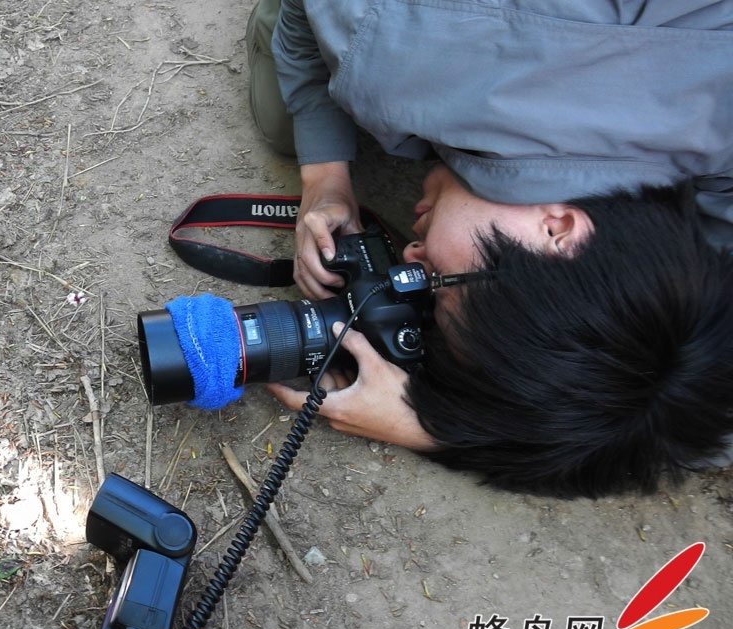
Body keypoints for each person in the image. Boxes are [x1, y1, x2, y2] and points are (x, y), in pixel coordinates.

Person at [247, 0, 733, 496]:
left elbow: (690, 419)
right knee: (292, 114)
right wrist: (323, 171)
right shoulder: (391, 49)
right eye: (441, 283)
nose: (410, 260)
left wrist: (438, 430)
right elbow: (305, 13)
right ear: (558, 230)